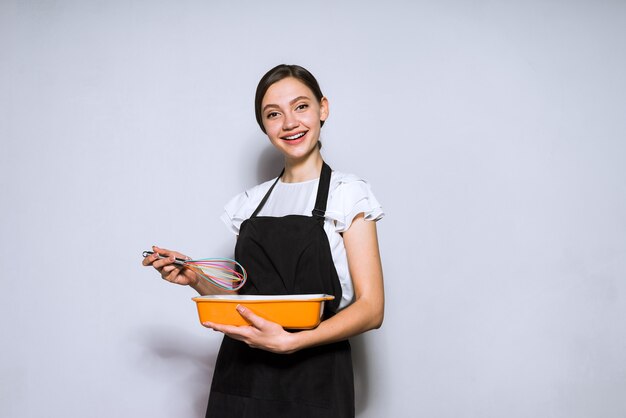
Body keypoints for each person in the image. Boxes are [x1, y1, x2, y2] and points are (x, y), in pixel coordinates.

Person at [143, 64, 385, 418]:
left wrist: (293, 342)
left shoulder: (348, 194)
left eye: (301, 106)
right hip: (242, 374)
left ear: (323, 109)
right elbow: (249, 301)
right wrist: (195, 277)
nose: (289, 123)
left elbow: (372, 308)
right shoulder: (249, 204)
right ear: (265, 126)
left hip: (315, 376)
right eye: (274, 114)